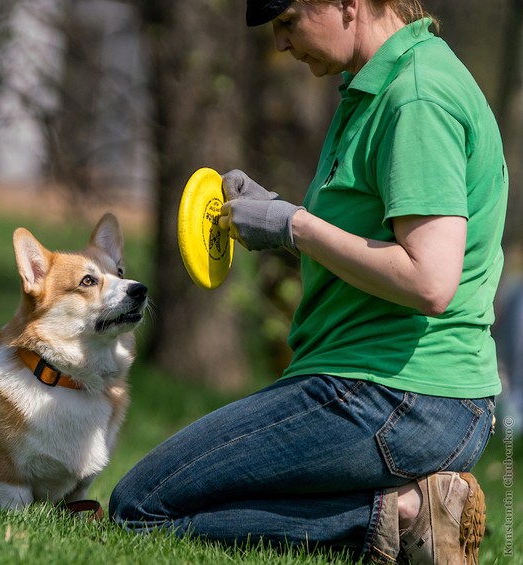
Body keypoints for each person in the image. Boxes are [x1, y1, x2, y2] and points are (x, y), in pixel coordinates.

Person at [109, 1, 506, 563]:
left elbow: (429, 280)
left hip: (399, 395)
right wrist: (276, 217)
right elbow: (370, 252)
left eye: (287, 20)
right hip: (394, 392)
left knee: (139, 507)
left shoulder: (417, 97)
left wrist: (293, 226)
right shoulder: (378, 87)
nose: (279, 44)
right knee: (166, 503)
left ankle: (403, 514)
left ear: (348, 4)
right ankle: (402, 507)